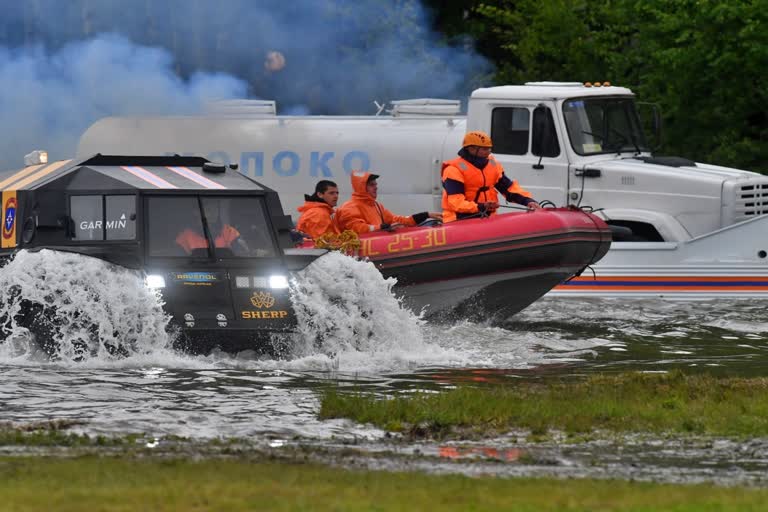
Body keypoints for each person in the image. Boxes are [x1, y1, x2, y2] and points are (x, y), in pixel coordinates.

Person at [441, 130, 541, 222]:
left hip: (486, 217)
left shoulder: (493, 165)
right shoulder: (453, 170)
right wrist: (481, 206)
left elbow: (508, 189)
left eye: (489, 148)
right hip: (460, 219)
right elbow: (456, 202)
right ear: (471, 149)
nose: (488, 151)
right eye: (484, 149)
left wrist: (527, 201)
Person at [336, 171, 442, 234]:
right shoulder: (349, 207)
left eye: (376, 184)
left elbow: (397, 220)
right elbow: (359, 229)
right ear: (362, 187)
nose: (376, 187)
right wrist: (382, 227)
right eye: (372, 185)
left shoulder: (377, 206)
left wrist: (425, 215)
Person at [176, 201, 242, 255]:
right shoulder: (185, 237)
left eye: (215, 208)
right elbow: (179, 263)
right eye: (208, 209)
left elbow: (241, 258)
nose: (214, 213)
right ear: (196, 212)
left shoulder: (230, 232)